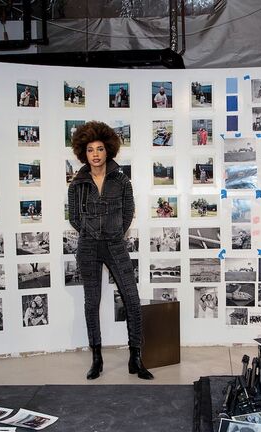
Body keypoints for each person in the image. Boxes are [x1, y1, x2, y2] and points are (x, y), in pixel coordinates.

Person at [68, 121, 153, 380]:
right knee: (91, 304)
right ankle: (97, 359)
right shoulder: (77, 184)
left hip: (115, 245)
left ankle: (135, 358)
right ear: (84, 153)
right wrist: (91, 231)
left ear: (108, 151)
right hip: (88, 247)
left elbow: (128, 212)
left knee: (132, 300)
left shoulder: (122, 181)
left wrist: (115, 231)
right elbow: (74, 217)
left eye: (100, 149)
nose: (95, 154)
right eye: (91, 149)